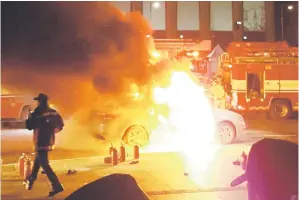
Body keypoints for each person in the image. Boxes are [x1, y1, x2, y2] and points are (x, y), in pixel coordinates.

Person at [24, 93, 64, 197]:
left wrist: (29, 116)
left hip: (40, 142)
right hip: (49, 142)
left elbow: (29, 126)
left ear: (39, 101)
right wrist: (51, 132)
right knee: (38, 161)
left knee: (45, 165)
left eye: (37, 101)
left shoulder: (36, 113)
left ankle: (57, 185)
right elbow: (60, 125)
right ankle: (31, 180)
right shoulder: (53, 112)